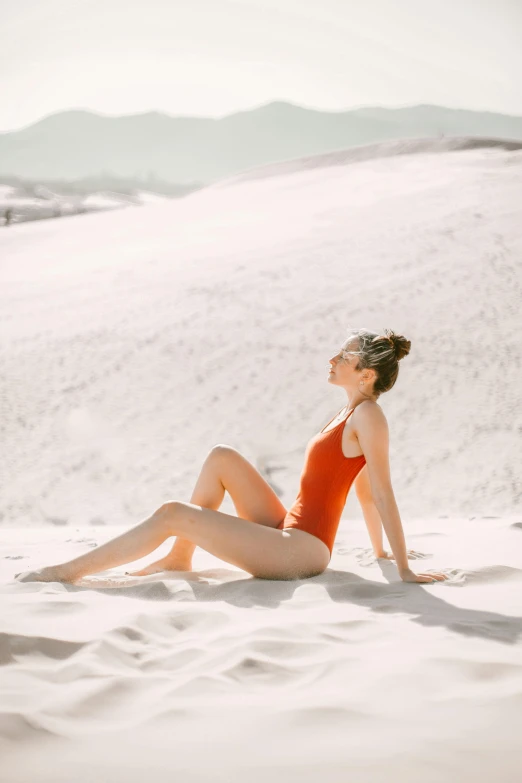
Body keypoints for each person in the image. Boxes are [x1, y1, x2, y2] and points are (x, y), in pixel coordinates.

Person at [16, 328, 448, 585]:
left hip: (300, 552)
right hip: (288, 531)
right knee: (221, 456)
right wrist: (380, 553)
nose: (333, 359)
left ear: (366, 373)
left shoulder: (370, 416)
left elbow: (382, 493)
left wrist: (403, 567)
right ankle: (180, 556)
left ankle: (67, 572)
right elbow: (360, 490)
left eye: (345, 356)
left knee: (171, 512)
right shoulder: (351, 412)